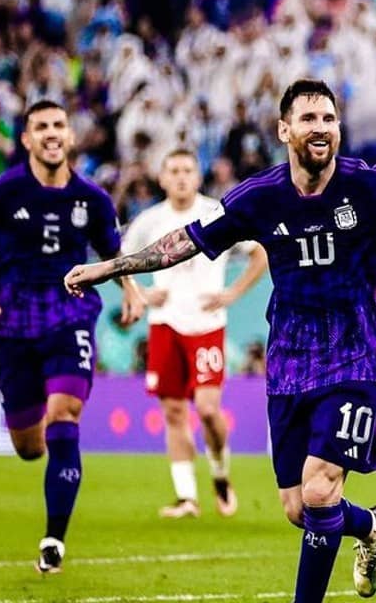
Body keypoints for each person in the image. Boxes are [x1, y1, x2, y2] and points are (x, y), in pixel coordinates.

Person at [64, 80, 376, 602]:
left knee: (320, 488)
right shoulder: (258, 197)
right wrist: (110, 268)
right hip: (290, 354)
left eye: (329, 118)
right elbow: (183, 242)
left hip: (356, 348)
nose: (321, 128)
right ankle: (370, 525)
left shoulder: (369, 185)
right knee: (298, 508)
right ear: (284, 130)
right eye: (308, 119)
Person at [0, 99, 145, 573]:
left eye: (59, 125)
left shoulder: (93, 199)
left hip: (70, 315)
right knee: (30, 446)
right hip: (12, 323)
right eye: (41, 127)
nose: (52, 133)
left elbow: (112, 254)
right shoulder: (0, 191)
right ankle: (41, 456)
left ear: (71, 136)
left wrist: (131, 290)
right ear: (27, 139)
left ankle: (54, 539)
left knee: (65, 413)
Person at [120, 149, 270, 519]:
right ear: (162, 178)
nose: (181, 177)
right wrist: (140, 293)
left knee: (207, 409)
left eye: (188, 169)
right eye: (174, 170)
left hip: (206, 324)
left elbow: (260, 252)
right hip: (164, 324)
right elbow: (120, 260)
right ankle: (186, 497)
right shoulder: (149, 221)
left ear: (198, 176)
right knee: (173, 411)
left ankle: (220, 473)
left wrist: (233, 293)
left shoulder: (215, 213)